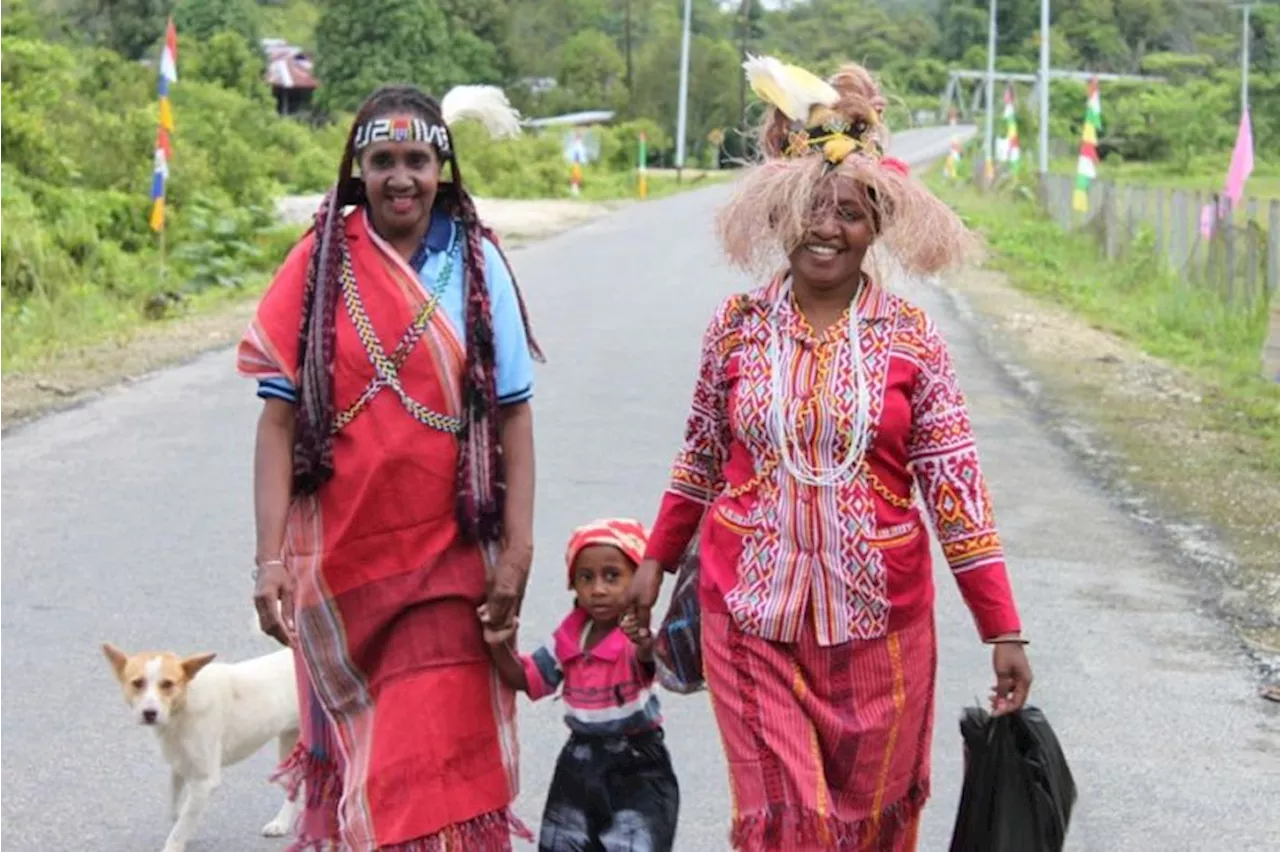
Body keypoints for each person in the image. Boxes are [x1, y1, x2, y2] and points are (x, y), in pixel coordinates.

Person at [626, 57, 1034, 851]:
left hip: (881, 633)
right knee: (792, 826)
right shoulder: (736, 327)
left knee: (867, 828)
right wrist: (655, 557)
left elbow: (957, 494)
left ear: (875, 224)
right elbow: (700, 457)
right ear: (779, 215)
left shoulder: (913, 340)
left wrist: (1003, 628)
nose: (826, 228)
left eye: (848, 212)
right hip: (749, 619)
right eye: (810, 208)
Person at [236, 83, 542, 850]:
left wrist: (519, 550)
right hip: (340, 571)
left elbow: (512, 415)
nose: (399, 177)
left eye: (416, 159)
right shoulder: (317, 264)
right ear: (356, 168)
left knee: (436, 769)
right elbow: (276, 422)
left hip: (450, 562)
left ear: (443, 168)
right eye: (381, 160)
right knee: (366, 772)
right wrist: (269, 560)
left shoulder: (477, 265)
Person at [480, 518, 680, 852]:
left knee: (633, 843)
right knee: (564, 843)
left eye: (612, 576)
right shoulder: (568, 640)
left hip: (638, 764)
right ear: (573, 585)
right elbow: (526, 679)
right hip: (579, 762)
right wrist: (498, 644)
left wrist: (644, 640)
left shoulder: (635, 640)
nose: (598, 589)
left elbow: (655, 659)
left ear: (636, 582)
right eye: (586, 578)